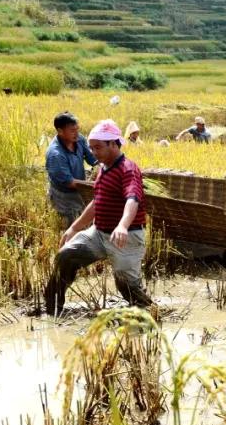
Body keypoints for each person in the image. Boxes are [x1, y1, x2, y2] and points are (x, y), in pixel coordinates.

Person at [44, 120, 153, 316]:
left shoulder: (128, 169)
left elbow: (133, 199)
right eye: (91, 148)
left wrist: (122, 225)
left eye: (98, 148)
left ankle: (150, 317)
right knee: (66, 256)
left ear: (113, 144)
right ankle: (51, 309)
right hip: (99, 233)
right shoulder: (103, 168)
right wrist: (74, 228)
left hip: (125, 238)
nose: (93, 152)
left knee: (128, 287)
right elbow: (97, 202)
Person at [45, 111, 98, 229]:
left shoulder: (79, 139)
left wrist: (104, 165)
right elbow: (70, 183)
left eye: (77, 129)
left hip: (80, 189)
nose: (77, 133)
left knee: (85, 222)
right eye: (72, 131)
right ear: (60, 131)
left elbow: (92, 159)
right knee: (71, 224)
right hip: (64, 195)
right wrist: (95, 184)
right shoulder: (55, 154)